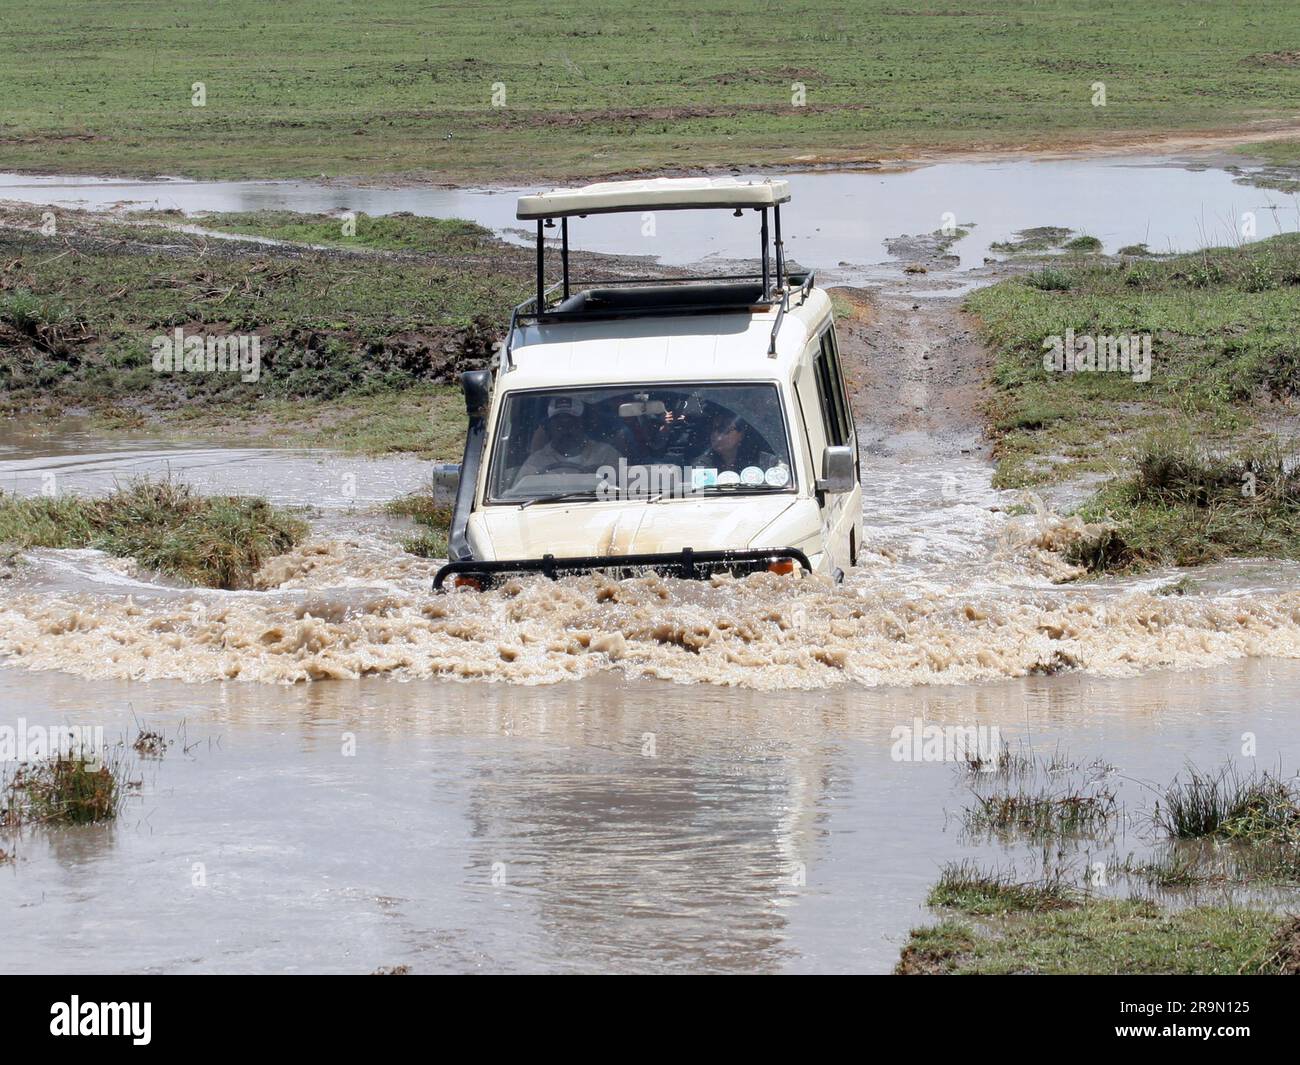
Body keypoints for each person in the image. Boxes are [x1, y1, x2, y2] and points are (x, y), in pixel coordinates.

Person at [517, 397, 621, 479]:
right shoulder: (536, 462)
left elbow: (625, 490)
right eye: (559, 425)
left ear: (583, 425)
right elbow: (519, 496)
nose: (566, 430)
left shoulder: (606, 454)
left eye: (572, 424)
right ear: (549, 428)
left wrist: (599, 474)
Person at [691, 411, 778, 475]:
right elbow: (697, 494)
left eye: (725, 430)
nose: (716, 435)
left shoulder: (766, 462)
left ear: (741, 434)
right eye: (714, 429)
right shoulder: (700, 464)